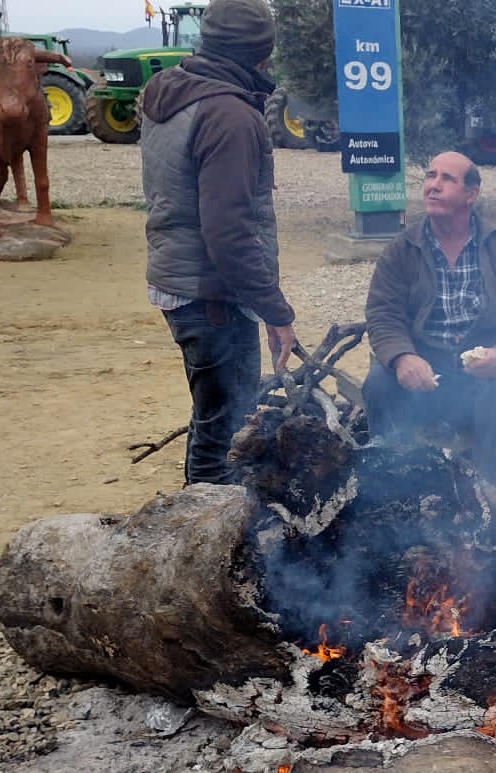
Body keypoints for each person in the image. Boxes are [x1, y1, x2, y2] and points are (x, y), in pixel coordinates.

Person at [140, 0, 298, 486]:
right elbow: (227, 231)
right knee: (226, 433)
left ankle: (194, 514)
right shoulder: (229, 115)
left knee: (212, 417)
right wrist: (274, 310)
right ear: (260, 53)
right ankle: (206, 524)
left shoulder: (170, 89)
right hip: (213, 295)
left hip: (180, 280)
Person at [363, 151, 496, 488]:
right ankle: (391, 488)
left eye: (447, 179)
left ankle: (486, 493)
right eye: (430, 176)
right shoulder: (402, 250)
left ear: (471, 194)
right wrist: (402, 357)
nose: (433, 185)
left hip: (481, 378)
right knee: (378, 383)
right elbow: (383, 313)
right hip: (424, 377)